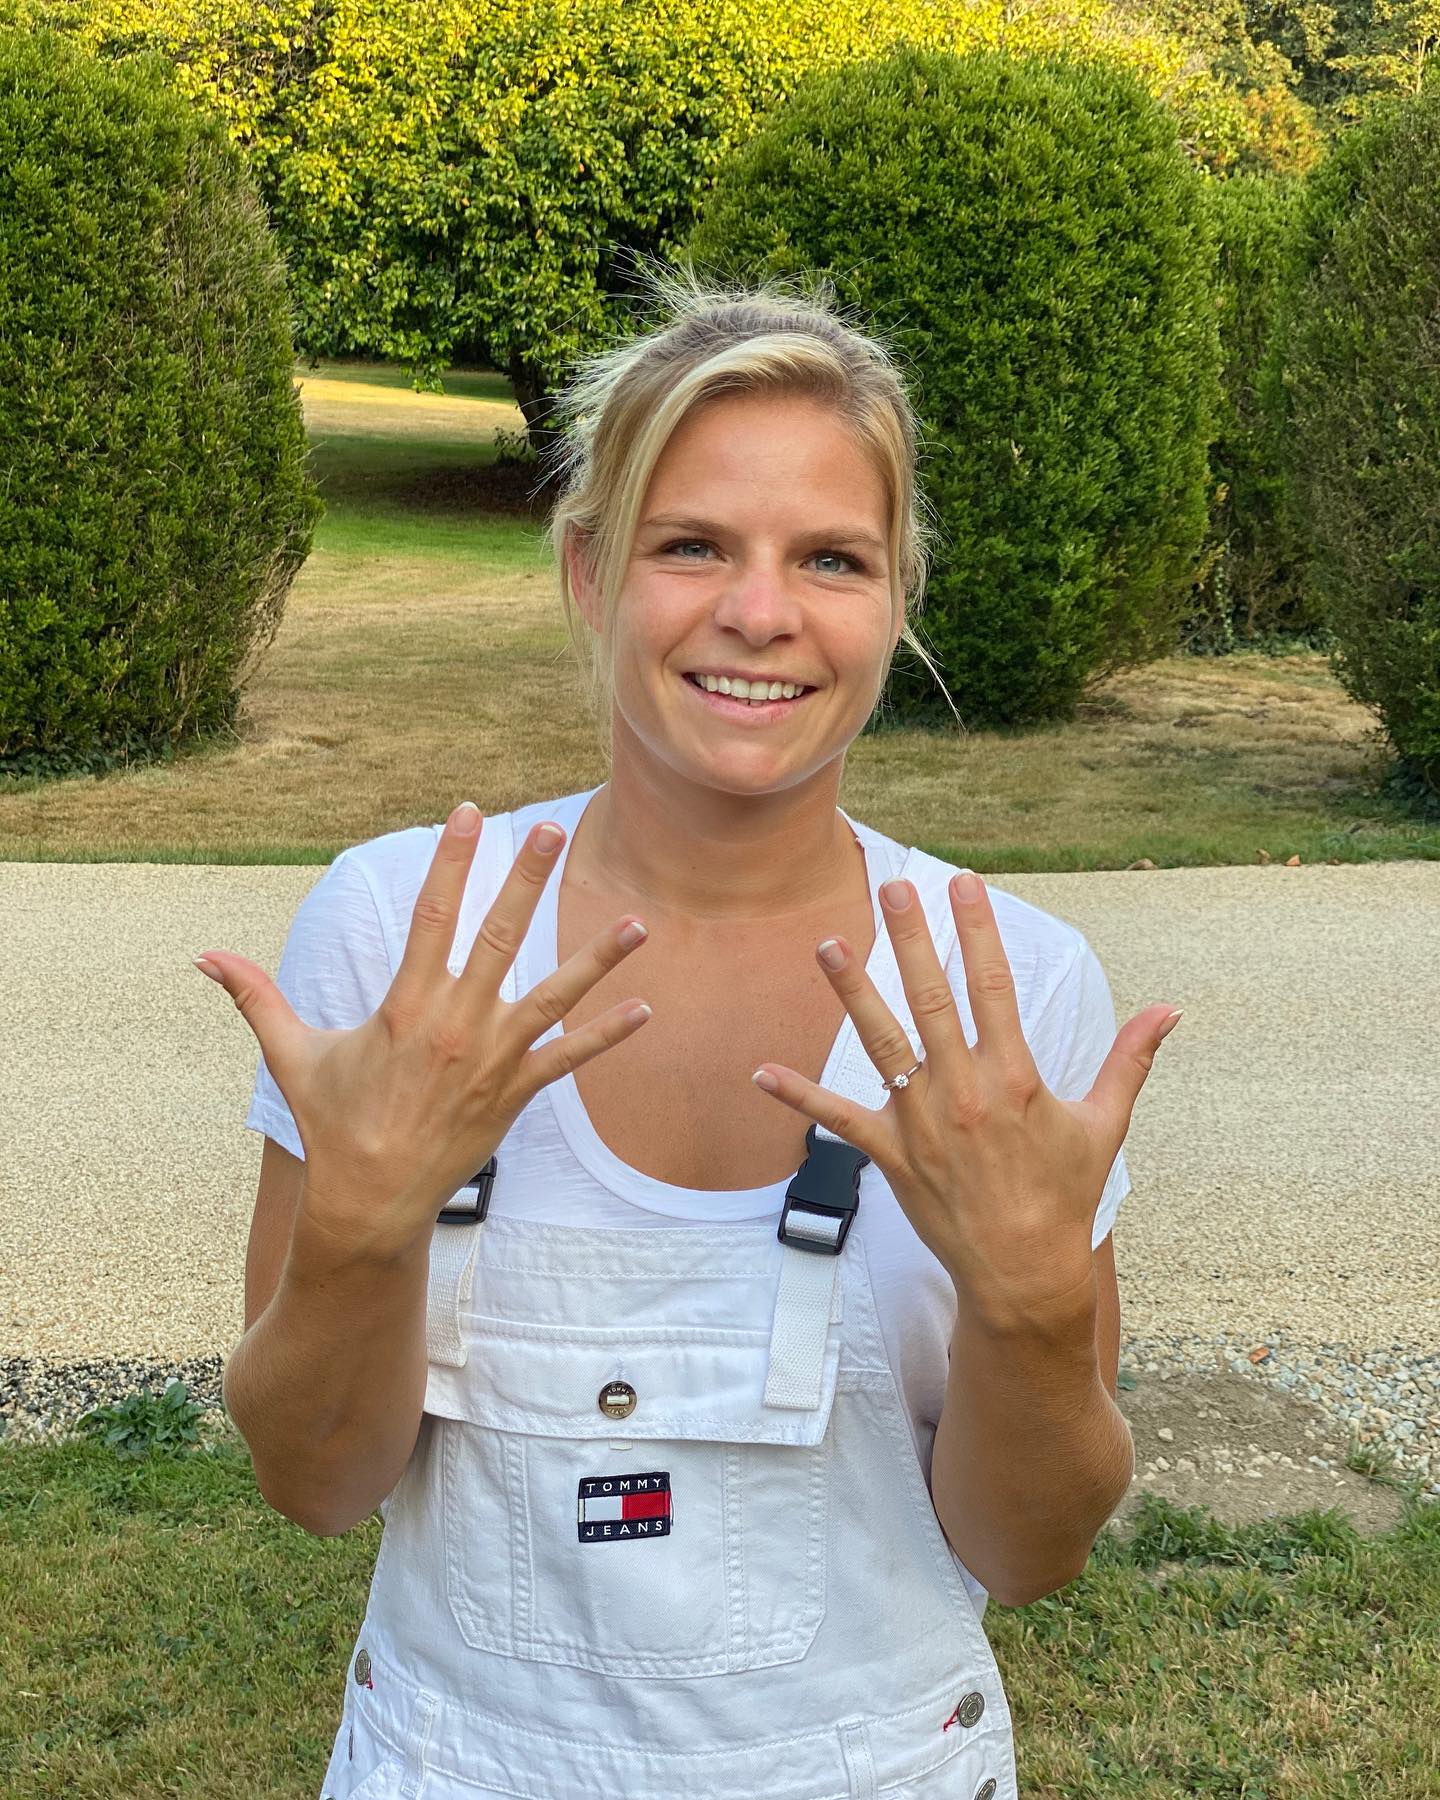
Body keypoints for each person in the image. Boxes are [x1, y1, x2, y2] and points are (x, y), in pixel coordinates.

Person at [208, 262, 1179, 1800]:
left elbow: (1030, 1549)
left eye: (833, 558)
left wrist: (1036, 1313)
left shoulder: (1009, 989)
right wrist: (358, 1231)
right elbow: (314, 1483)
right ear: (591, 574)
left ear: (897, 599)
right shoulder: (400, 934)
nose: (760, 613)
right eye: (692, 545)